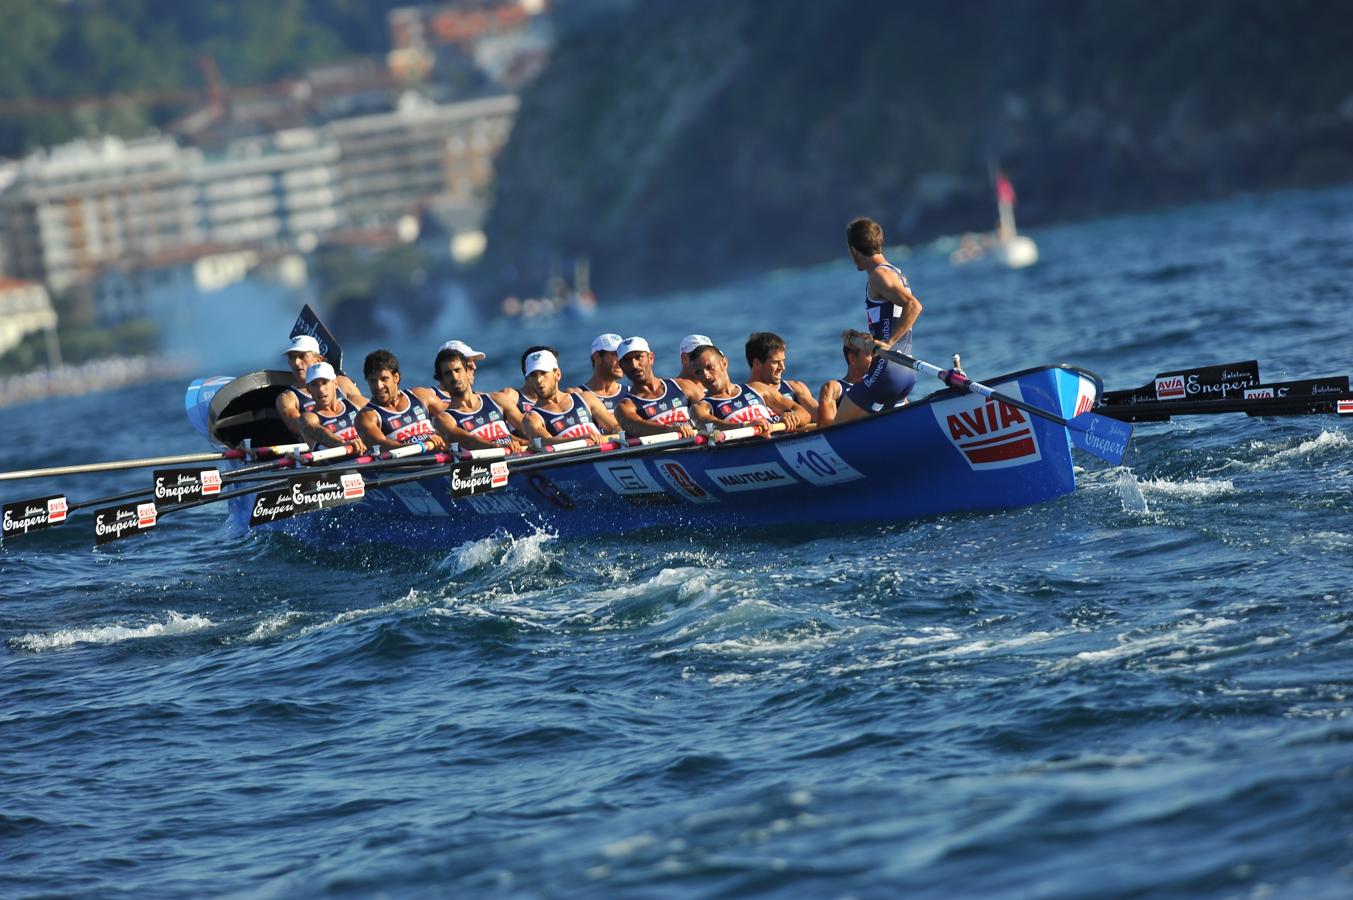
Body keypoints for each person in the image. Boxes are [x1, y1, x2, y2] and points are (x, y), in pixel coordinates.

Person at [835, 216, 923, 425]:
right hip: (906, 372)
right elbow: (889, 321)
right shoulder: (895, 273)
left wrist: (889, 342)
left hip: (886, 371)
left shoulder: (878, 276)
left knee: (835, 430)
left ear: (854, 251)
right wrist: (859, 339)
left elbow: (914, 306)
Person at [687, 344, 810, 434]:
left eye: (709, 367)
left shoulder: (757, 388)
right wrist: (745, 426)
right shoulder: (700, 407)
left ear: (724, 363)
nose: (706, 376)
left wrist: (792, 417)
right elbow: (710, 424)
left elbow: (804, 413)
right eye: (698, 372)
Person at [517, 349, 620, 446]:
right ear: (529, 380)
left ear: (557, 374)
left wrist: (607, 437)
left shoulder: (585, 398)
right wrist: (582, 440)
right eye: (533, 375)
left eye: (543, 373)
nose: (539, 380)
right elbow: (545, 442)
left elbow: (616, 428)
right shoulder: (531, 419)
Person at [432, 347, 527, 452]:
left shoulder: (497, 399)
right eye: (448, 374)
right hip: (481, 465)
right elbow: (469, 441)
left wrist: (535, 443)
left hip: (512, 457)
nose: (454, 377)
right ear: (442, 381)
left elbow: (529, 428)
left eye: (457, 370)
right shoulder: (443, 420)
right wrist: (498, 448)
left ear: (468, 372)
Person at [355, 349, 449, 452]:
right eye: (372, 380)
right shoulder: (366, 416)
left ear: (396, 377)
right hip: (408, 464)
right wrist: (421, 445)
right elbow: (382, 445)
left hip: (439, 456)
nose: (378, 386)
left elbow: (453, 418)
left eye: (384, 379)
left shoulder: (420, 395)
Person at [612, 336, 702, 438]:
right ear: (621, 366)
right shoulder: (624, 407)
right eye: (627, 361)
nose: (634, 365)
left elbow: (709, 409)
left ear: (651, 358)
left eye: (638, 357)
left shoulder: (683, 386)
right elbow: (638, 428)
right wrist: (671, 429)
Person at [275, 334, 363, 438]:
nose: (296, 362)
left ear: (318, 359)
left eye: (302, 356)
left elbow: (369, 416)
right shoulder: (287, 398)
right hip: (325, 450)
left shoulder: (342, 383)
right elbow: (304, 428)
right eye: (292, 357)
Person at [744, 332, 818, 418]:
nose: (783, 368)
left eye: (783, 361)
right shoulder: (741, 397)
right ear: (757, 364)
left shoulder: (796, 388)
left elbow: (819, 416)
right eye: (775, 362)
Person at [300, 361, 369, 453]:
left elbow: (382, 412)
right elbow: (319, 432)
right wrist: (343, 444)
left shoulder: (356, 402)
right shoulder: (308, 418)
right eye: (315, 385)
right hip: (338, 466)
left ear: (335, 383)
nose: (321, 389)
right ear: (308, 389)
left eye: (324, 382)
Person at [816, 329, 875, 427]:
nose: (876, 358)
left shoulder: (881, 383)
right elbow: (826, 428)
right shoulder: (833, 388)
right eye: (870, 354)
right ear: (852, 359)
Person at [570, 333, 627, 413]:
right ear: (597, 357)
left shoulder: (631, 393)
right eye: (616, 354)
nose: (621, 360)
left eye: (622, 355)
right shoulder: (577, 396)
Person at [502, 344, 557, 417]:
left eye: (544, 372)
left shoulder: (566, 400)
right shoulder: (511, 396)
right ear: (526, 373)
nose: (539, 379)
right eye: (534, 373)